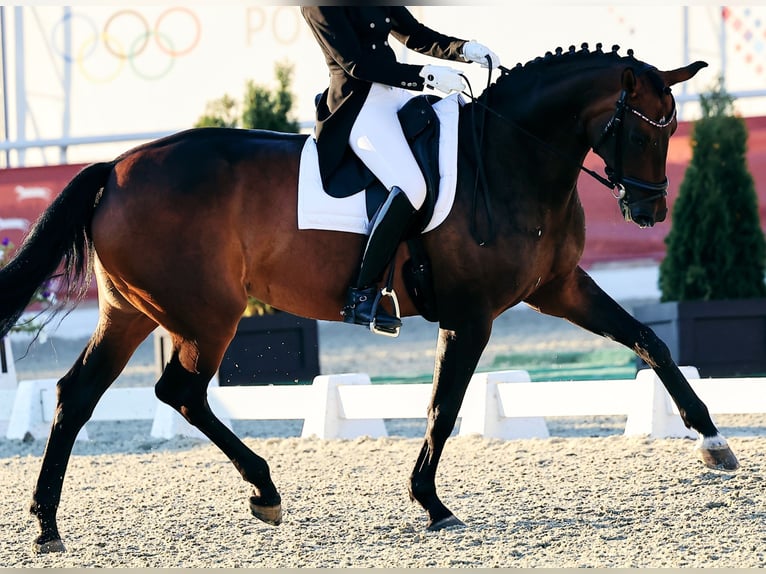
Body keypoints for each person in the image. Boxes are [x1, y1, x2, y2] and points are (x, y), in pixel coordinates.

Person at [301, 7, 500, 334]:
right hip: (359, 105)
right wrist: (425, 76)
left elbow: (414, 34)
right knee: (411, 186)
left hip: (397, 94)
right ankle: (361, 295)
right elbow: (356, 64)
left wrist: (463, 50)